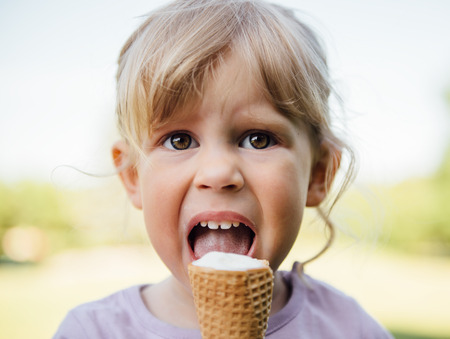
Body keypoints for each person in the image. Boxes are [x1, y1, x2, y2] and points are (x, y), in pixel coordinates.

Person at [53, 0, 393, 337]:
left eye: (258, 139)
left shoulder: (351, 329)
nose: (217, 174)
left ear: (318, 175)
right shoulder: (92, 331)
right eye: (179, 141)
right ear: (132, 175)